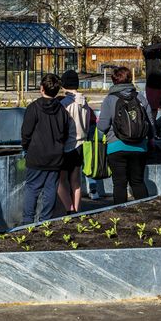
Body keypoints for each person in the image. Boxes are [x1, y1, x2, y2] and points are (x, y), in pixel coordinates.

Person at [98, 66, 157, 205]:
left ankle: (120, 213)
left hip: (116, 147)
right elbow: (150, 122)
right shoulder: (140, 97)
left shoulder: (110, 99)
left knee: (119, 183)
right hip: (139, 147)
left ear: (114, 80)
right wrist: (151, 139)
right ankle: (145, 210)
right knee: (138, 181)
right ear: (130, 79)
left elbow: (103, 126)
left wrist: (100, 139)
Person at [20, 73, 71, 224]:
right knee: (50, 189)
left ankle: (28, 221)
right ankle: (45, 220)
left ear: (41, 88)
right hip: (56, 155)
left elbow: (26, 132)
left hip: (36, 154)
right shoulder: (62, 110)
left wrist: (26, 147)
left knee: (32, 188)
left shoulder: (33, 108)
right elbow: (65, 132)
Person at [56, 70, 95, 214]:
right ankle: (77, 210)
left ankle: (69, 208)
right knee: (76, 182)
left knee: (60, 181)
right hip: (80, 145)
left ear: (64, 85)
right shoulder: (85, 103)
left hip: (67, 146)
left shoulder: (64, 104)